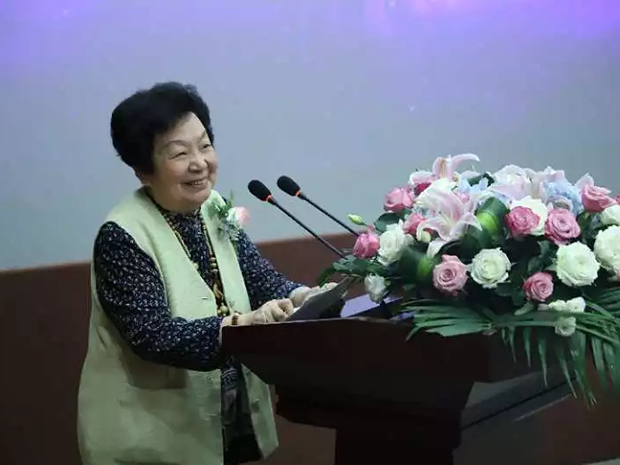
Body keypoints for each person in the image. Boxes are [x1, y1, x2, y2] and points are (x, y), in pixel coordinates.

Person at [77, 82, 333, 465]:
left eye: (205, 146)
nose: (199, 163)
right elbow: (153, 336)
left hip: (224, 417)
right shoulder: (122, 234)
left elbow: (260, 281)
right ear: (142, 170)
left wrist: (303, 297)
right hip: (153, 438)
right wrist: (240, 326)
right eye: (180, 153)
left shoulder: (213, 207)